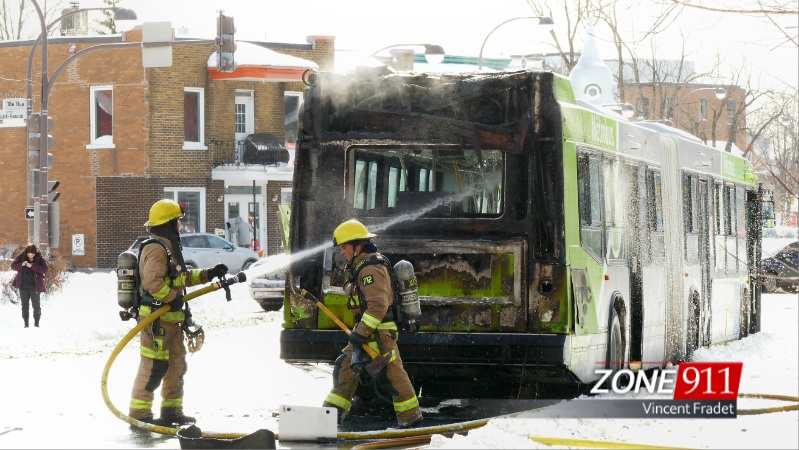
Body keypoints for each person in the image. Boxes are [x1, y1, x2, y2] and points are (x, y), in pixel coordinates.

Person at [129, 199, 229, 427]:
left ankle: (172, 412)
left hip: (172, 322)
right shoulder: (156, 248)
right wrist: (172, 298)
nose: (179, 227)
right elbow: (153, 283)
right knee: (154, 367)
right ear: (169, 224)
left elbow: (178, 279)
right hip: (156, 321)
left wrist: (208, 274)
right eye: (177, 222)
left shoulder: (168, 246)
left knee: (176, 366)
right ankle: (139, 413)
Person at [322, 219, 423, 428]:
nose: (342, 252)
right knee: (345, 368)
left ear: (357, 246)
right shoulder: (362, 267)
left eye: (345, 247)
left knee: (393, 376)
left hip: (380, 333)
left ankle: (411, 421)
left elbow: (378, 306)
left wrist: (360, 334)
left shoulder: (370, 269)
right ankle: (328, 418)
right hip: (369, 331)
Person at [11, 244, 49, 328]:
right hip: (23, 286)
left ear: (35, 252)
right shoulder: (21, 257)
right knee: (24, 305)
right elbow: (13, 266)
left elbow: (45, 270)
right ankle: (26, 324)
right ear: (26, 252)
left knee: (36, 305)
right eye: (29, 253)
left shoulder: (40, 259)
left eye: (32, 253)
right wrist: (21, 264)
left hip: (35, 287)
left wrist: (32, 266)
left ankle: (36, 324)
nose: (30, 255)